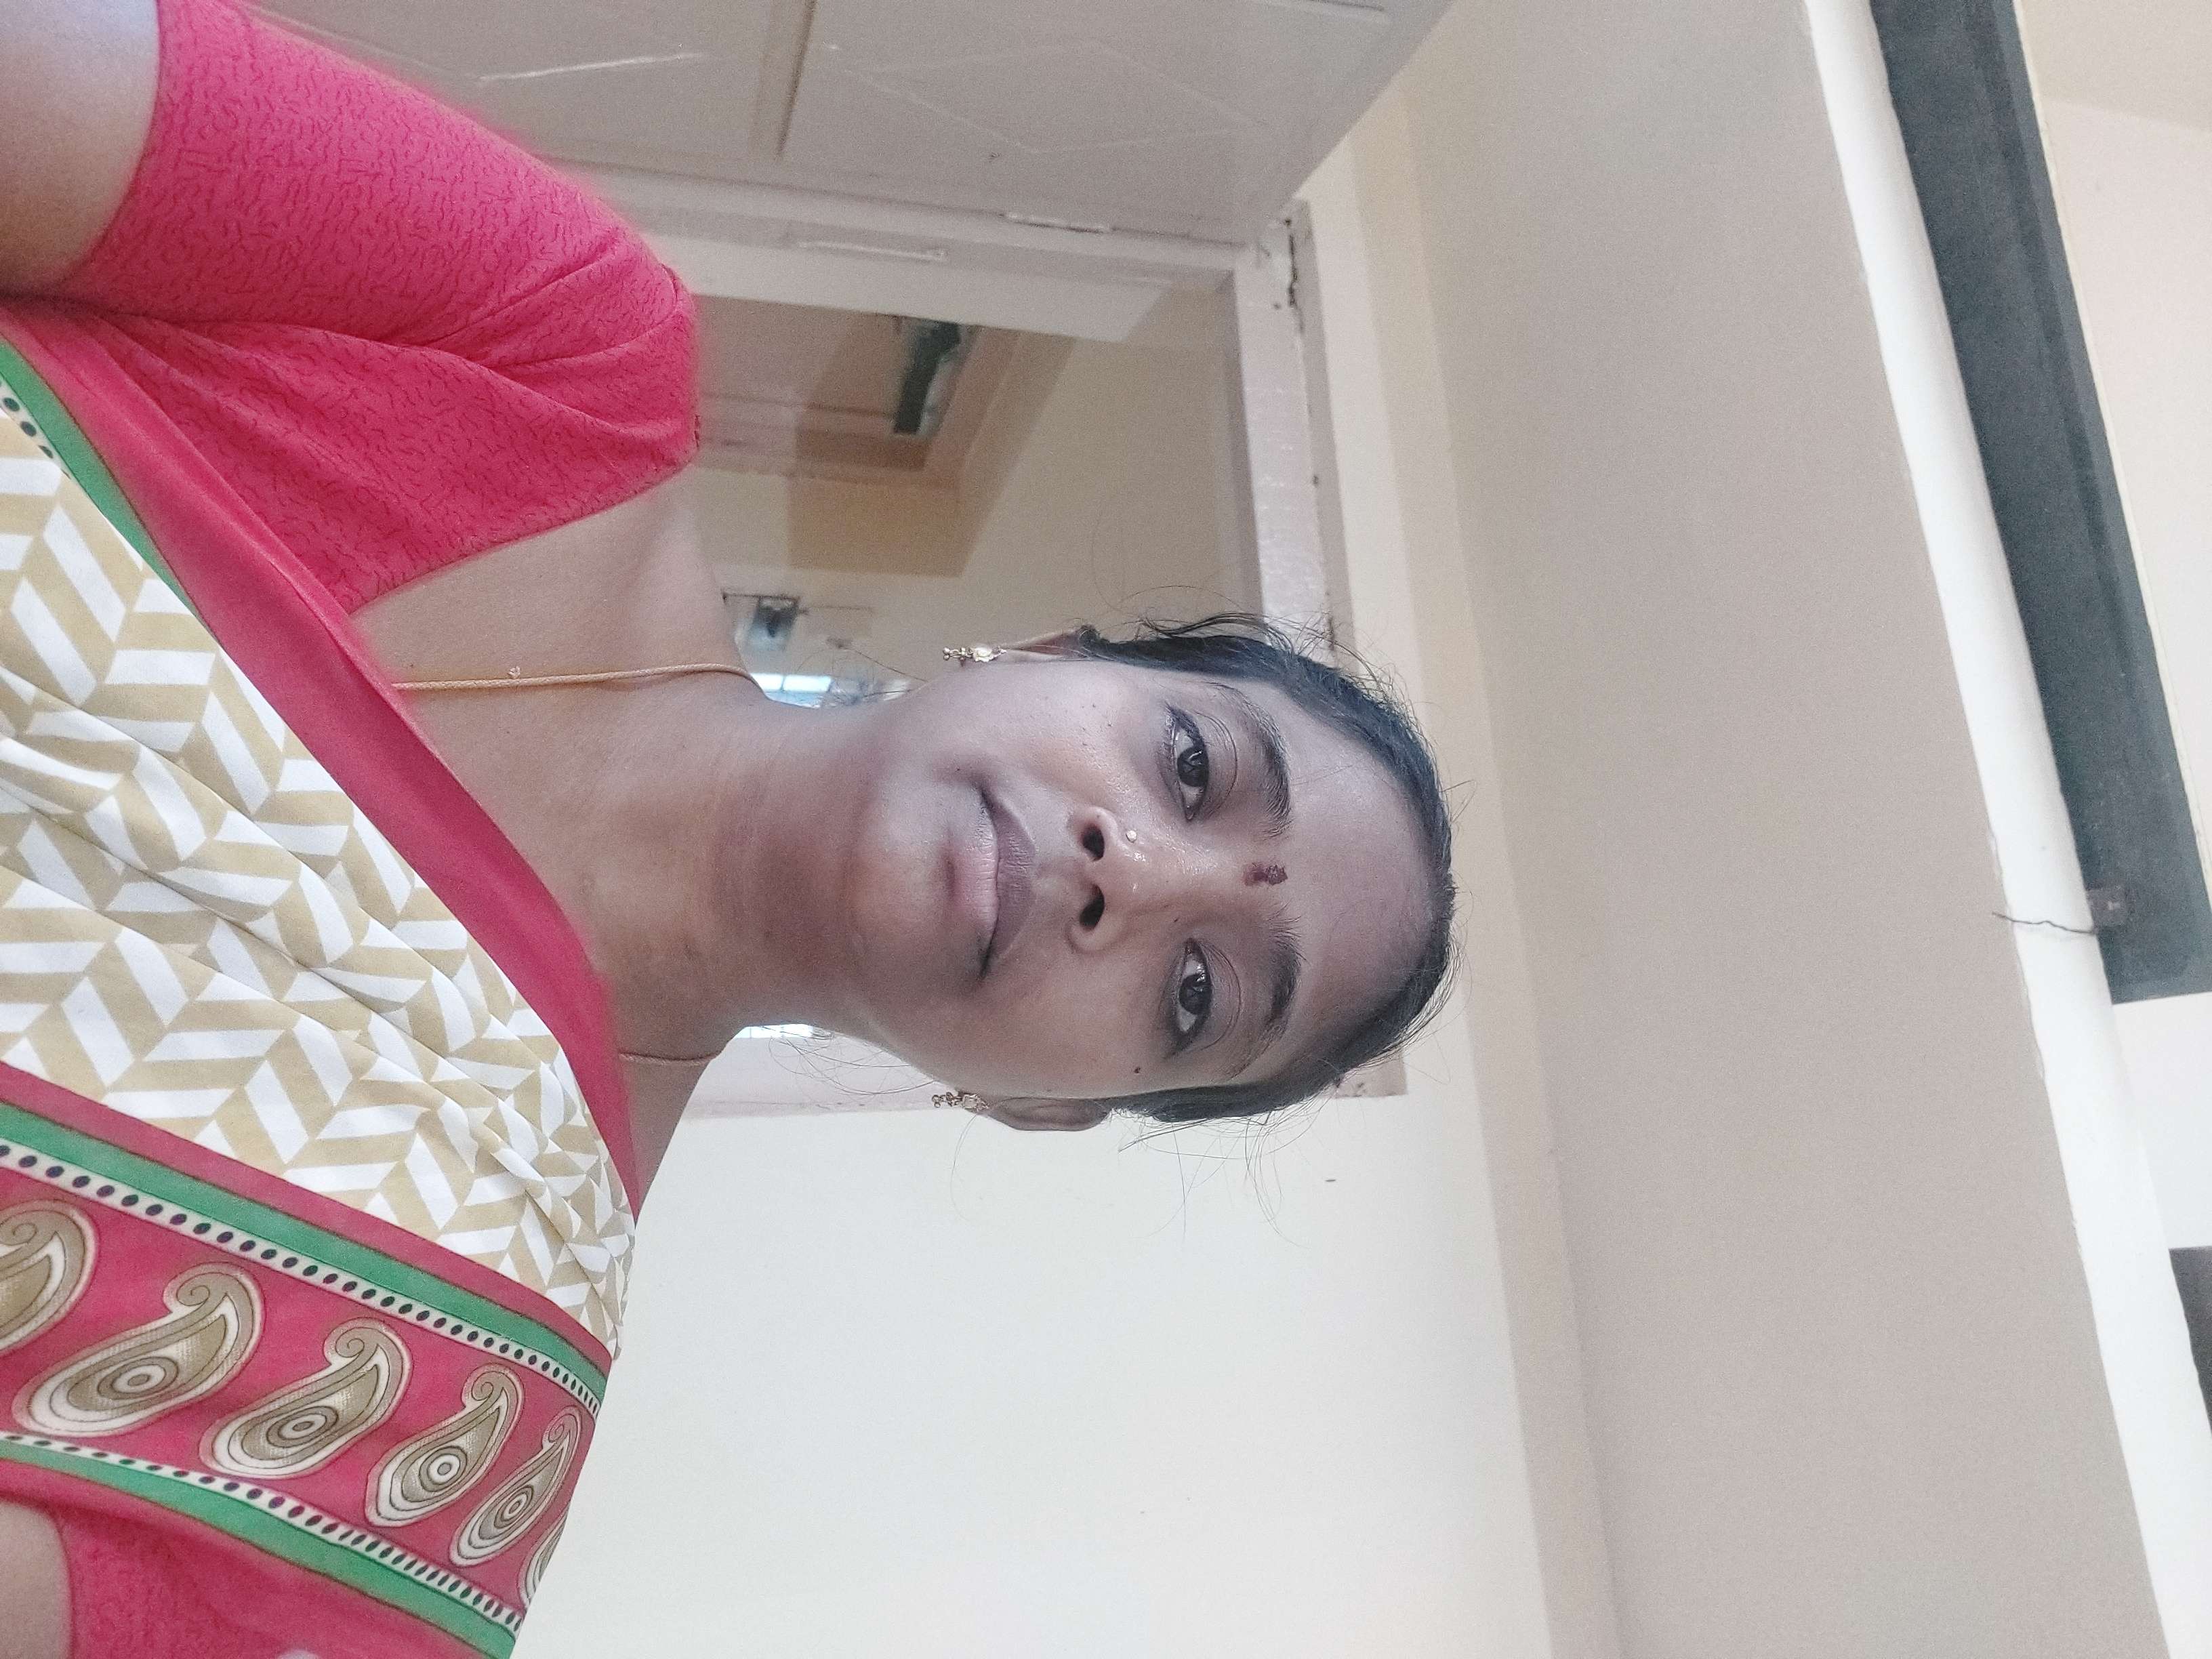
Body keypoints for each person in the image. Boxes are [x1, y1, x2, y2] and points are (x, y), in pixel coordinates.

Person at [0, 1, 1455, 1655]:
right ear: (1048, 652)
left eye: (1197, 995)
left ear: (1045, 1109)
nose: (1133, 873)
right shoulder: (555, 345)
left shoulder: (434, 1466)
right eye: (1190, 766)